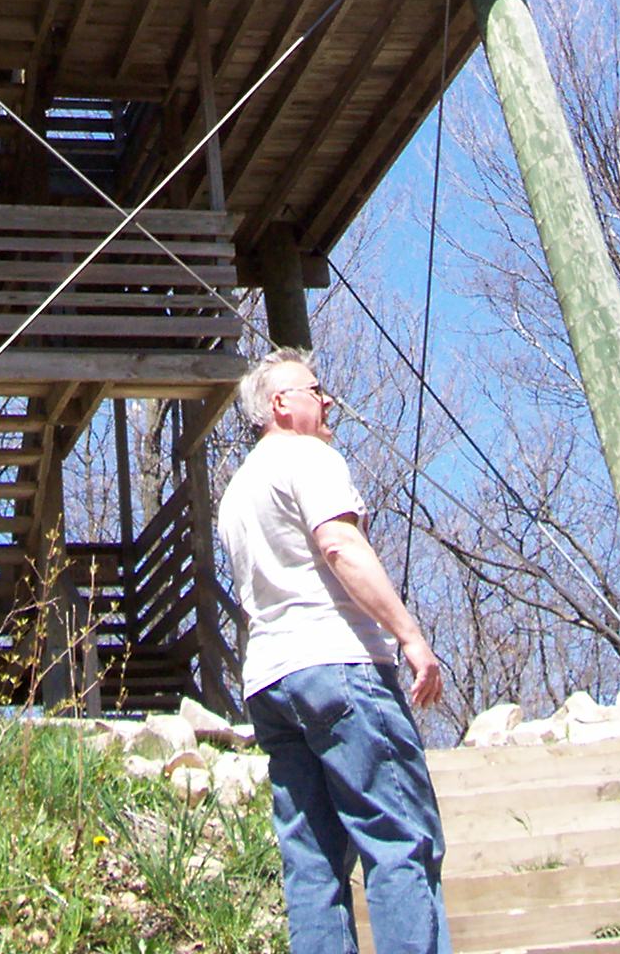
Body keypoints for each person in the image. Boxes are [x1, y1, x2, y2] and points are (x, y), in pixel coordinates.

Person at [217, 346, 451, 954]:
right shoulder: (310, 457)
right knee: (400, 836)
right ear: (279, 405)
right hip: (338, 664)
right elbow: (340, 546)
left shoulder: (236, 491)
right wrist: (410, 636)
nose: (328, 401)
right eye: (314, 390)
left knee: (313, 864)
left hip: (270, 681)